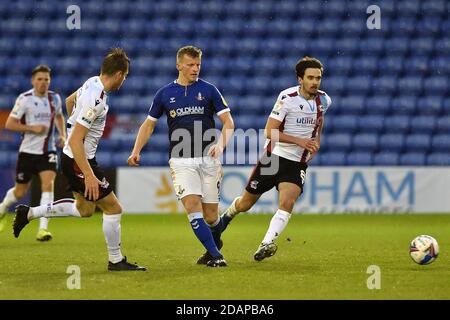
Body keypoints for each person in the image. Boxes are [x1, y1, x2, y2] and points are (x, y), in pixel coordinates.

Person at [12, 48, 146, 271]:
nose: (124, 81)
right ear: (120, 74)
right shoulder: (97, 99)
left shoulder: (92, 81)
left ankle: (29, 213)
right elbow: (75, 141)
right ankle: (116, 260)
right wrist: (90, 175)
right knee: (114, 208)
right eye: (125, 76)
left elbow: (68, 101)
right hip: (78, 160)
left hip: (73, 158)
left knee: (84, 210)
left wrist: (75, 122)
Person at [128, 45, 234, 267]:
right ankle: (216, 255)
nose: (195, 69)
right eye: (190, 65)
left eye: (198, 65)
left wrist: (221, 145)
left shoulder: (210, 90)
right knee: (192, 205)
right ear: (179, 66)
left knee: (212, 217)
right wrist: (136, 151)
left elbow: (229, 123)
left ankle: (211, 249)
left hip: (208, 160)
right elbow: (148, 125)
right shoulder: (165, 94)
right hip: (181, 160)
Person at [221, 57, 331, 261]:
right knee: (245, 204)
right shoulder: (287, 97)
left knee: (287, 201)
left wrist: (317, 140)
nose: (315, 82)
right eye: (310, 78)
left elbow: (320, 120)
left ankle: (266, 244)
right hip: (274, 157)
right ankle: (227, 216)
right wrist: (299, 141)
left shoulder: (324, 100)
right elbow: (269, 132)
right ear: (300, 79)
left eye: (318, 78)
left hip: (296, 162)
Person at [0, 65, 66, 241]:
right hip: (27, 152)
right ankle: (2, 208)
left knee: (48, 184)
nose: (43, 82)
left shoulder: (55, 99)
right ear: (33, 81)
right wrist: (32, 128)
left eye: (46, 79)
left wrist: (63, 135)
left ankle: (43, 229)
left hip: (48, 150)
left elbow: (59, 116)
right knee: (20, 192)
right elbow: (10, 124)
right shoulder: (25, 99)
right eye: (40, 79)